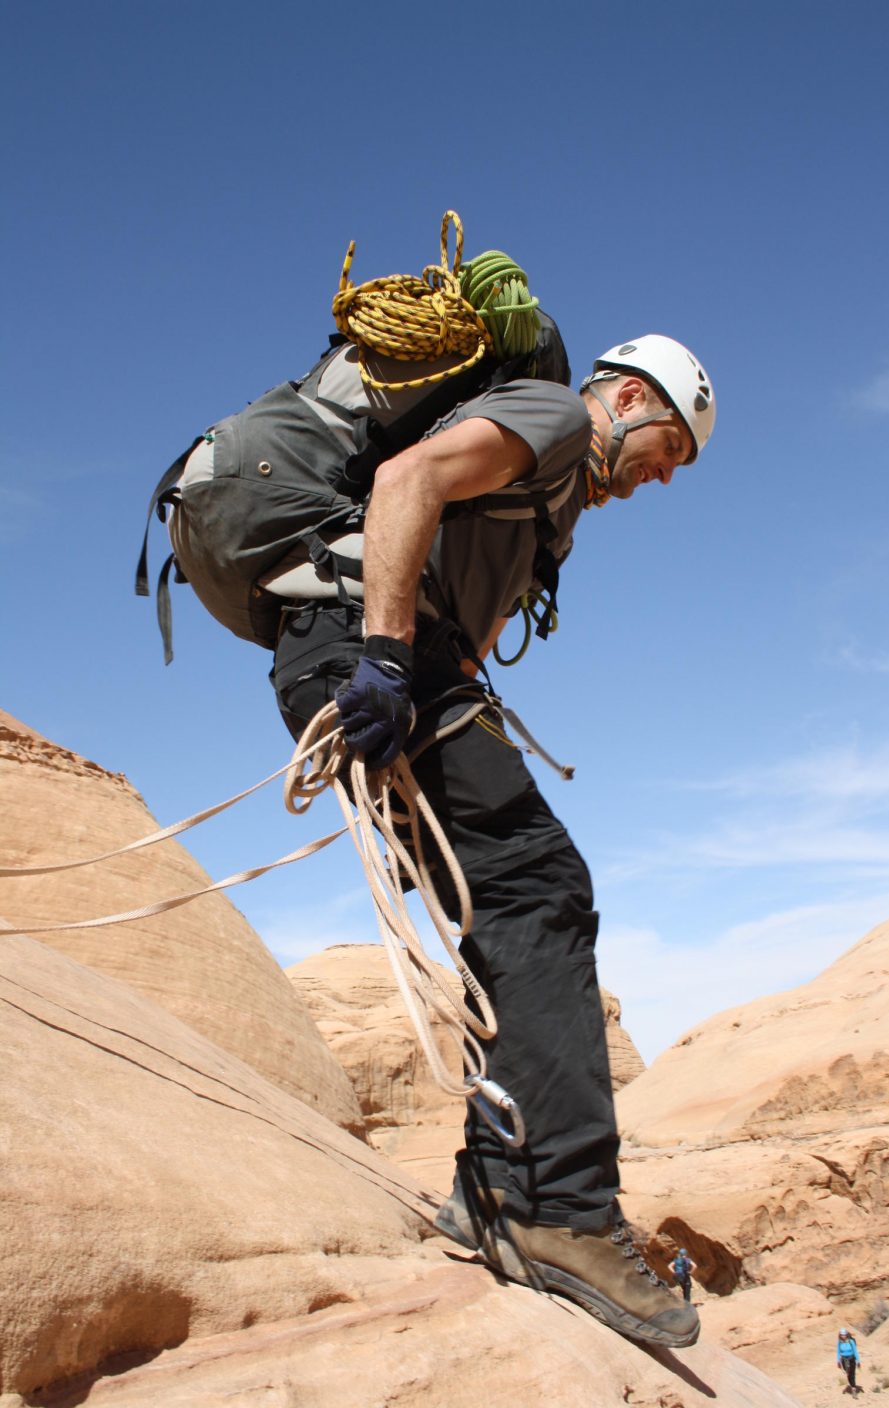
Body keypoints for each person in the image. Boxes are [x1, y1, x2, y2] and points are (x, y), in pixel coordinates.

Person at [267, 328, 716, 1349]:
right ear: (634, 401)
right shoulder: (555, 414)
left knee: (507, 908)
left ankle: (492, 1187)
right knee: (538, 888)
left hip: (374, 662)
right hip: (366, 657)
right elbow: (406, 479)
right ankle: (564, 1213)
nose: (654, 483)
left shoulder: (547, 500)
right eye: (665, 456)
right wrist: (384, 659)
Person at [837, 1328, 861, 1394]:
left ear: (847, 1335)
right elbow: (838, 1352)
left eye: (844, 1335)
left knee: (852, 1374)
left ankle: (853, 1388)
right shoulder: (839, 1342)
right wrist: (838, 1361)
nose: (843, 1336)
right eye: (842, 1335)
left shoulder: (851, 1341)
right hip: (844, 1360)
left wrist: (858, 1361)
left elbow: (855, 1351)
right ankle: (852, 1384)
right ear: (840, 1335)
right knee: (848, 1374)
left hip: (852, 1359)